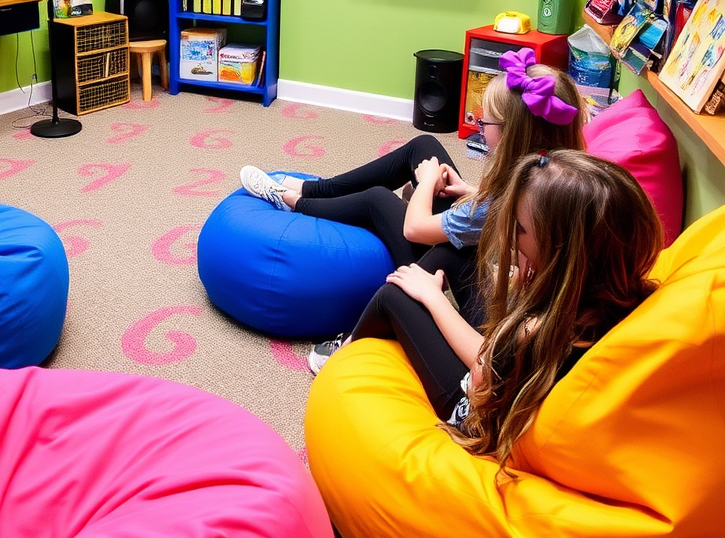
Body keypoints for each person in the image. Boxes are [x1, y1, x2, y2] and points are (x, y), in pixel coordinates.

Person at [239, 48, 584, 360]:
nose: (480, 127)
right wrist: (467, 189)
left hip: (492, 312)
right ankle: (315, 189)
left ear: (512, 133)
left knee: (378, 200)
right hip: (505, 268)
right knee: (423, 145)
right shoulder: (558, 174)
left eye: (486, 122)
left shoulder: (513, 196)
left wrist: (428, 182)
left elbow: (415, 229)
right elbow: (491, 205)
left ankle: (291, 200)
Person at [330, 151, 661, 470]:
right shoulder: (606, 294)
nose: (512, 237)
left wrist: (434, 299)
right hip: (507, 365)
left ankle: (344, 354)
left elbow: (481, 370)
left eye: (520, 229)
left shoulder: (536, 331)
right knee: (454, 254)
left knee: (395, 296)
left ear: (562, 250)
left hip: (474, 413)